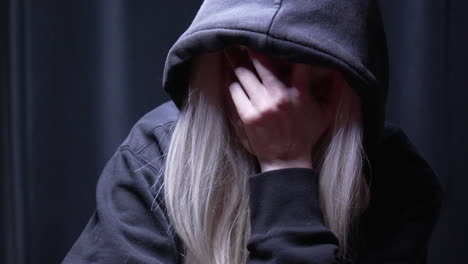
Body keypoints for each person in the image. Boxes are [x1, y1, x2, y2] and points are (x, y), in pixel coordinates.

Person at [62, 0, 444, 263]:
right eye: (261, 74)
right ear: (221, 65)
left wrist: (286, 168)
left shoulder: (395, 175)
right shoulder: (154, 154)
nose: (278, 104)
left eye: (316, 79)